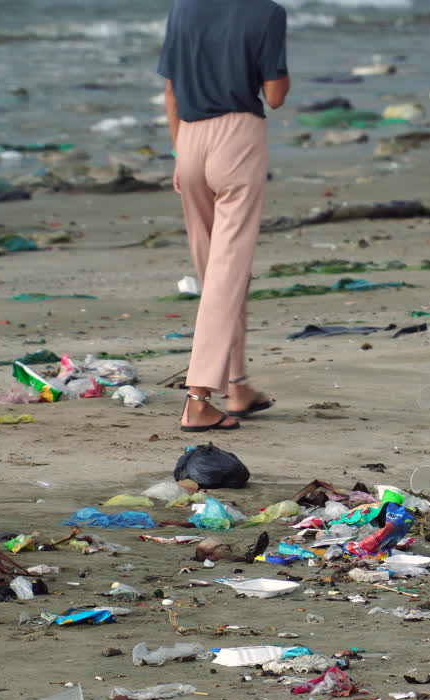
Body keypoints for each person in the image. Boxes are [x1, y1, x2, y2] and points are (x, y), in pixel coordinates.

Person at [158, 0, 290, 432]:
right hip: (237, 138)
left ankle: (237, 385)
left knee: (213, 268)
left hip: (190, 138)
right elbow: (275, 96)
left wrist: (180, 155)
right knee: (228, 270)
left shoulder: (183, 8)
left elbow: (171, 91)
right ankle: (198, 400)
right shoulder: (267, 14)